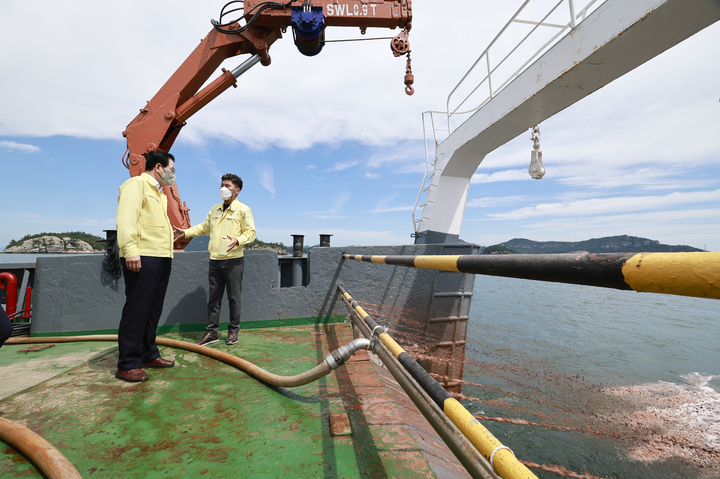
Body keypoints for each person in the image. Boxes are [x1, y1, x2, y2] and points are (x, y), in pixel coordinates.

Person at [115, 151, 177, 382]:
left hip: (161, 255)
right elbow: (126, 218)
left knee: (152, 310)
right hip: (143, 255)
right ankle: (128, 364)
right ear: (159, 167)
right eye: (172, 170)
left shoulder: (159, 193)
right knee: (137, 310)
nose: (173, 175)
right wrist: (130, 250)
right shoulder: (136, 184)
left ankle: (148, 354)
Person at [174, 173, 255, 346]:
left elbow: (251, 232)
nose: (223, 188)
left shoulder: (243, 210)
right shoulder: (215, 209)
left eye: (228, 186)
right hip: (215, 259)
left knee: (234, 298)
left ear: (237, 190)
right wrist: (185, 232)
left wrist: (238, 240)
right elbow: (205, 227)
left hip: (233, 261)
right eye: (222, 185)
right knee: (214, 298)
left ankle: (233, 331)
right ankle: (212, 333)